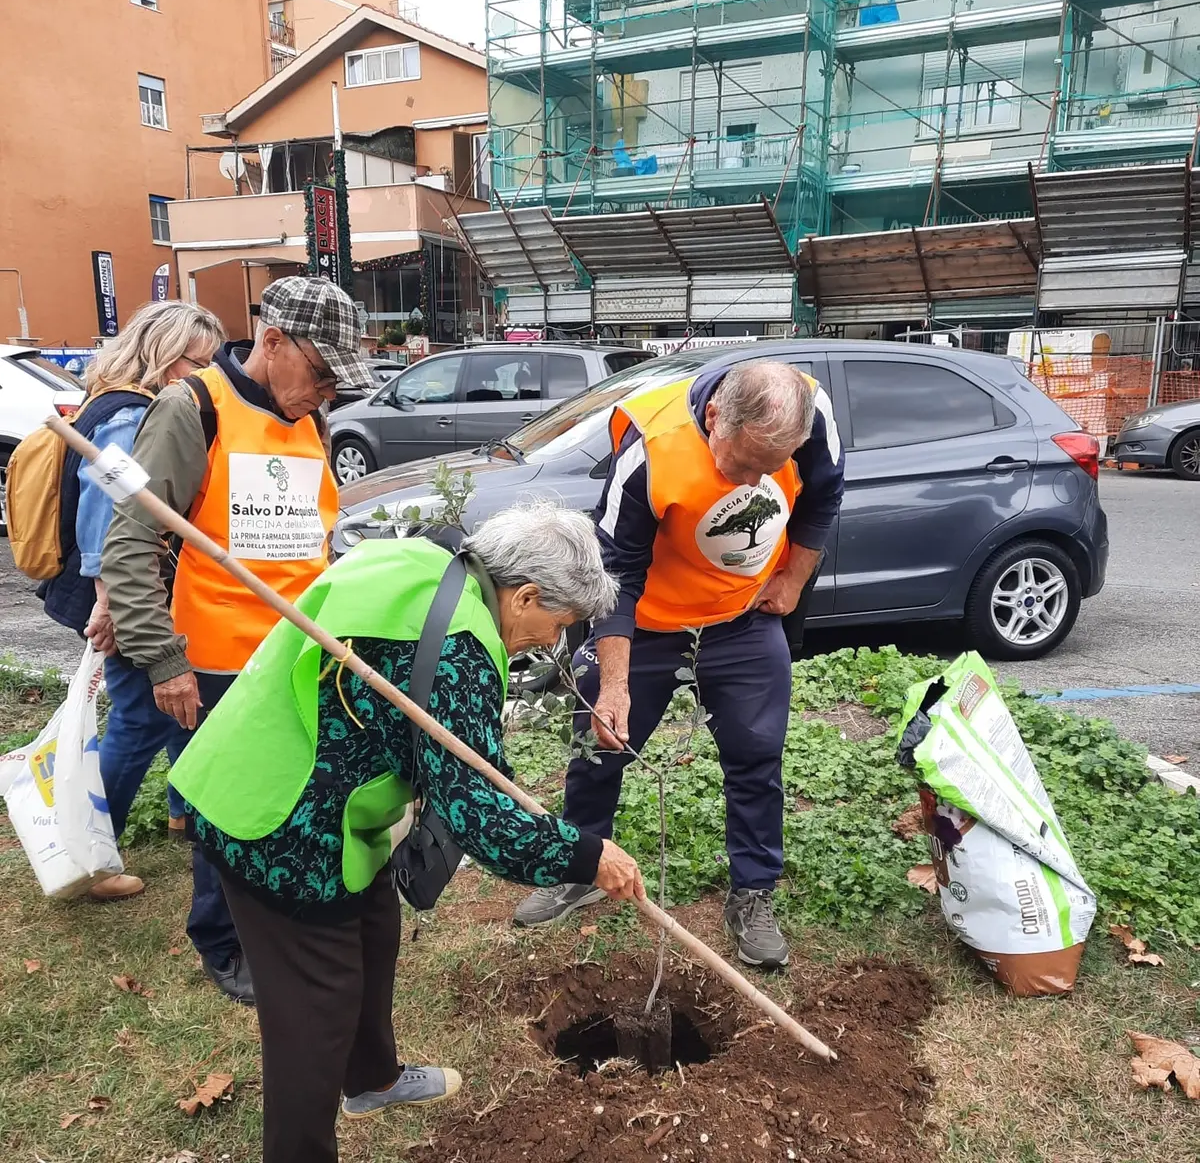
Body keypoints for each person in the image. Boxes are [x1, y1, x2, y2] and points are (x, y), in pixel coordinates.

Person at [168, 502, 644, 1163]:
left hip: (307, 785)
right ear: (527, 594)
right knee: (315, 1010)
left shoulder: (431, 562)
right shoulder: (460, 645)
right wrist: (588, 855)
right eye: (555, 625)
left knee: (373, 929)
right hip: (278, 821)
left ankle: (372, 1081)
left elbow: (465, 761)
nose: (550, 643)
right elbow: (480, 814)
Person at [513, 360, 845, 968]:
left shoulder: (812, 416)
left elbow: (823, 498)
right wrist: (614, 685)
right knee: (600, 744)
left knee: (755, 755)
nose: (750, 483)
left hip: (744, 619)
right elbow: (616, 573)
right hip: (649, 624)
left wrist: (794, 579)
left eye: (766, 470)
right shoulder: (651, 449)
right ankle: (581, 868)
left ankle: (753, 894)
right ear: (714, 416)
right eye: (740, 463)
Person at [101, 276, 374, 1003]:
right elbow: (131, 543)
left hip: (297, 651)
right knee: (223, 807)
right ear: (274, 341)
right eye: (321, 374)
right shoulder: (191, 409)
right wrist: (164, 660)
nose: (327, 394)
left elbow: (313, 541)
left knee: (284, 794)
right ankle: (221, 942)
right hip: (216, 660)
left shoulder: (307, 421)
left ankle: (274, 914)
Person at [39, 301, 225, 899]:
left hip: (121, 593)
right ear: (167, 357)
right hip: (120, 596)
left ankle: (183, 810)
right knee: (140, 717)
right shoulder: (130, 418)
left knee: (174, 707)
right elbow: (107, 523)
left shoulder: (105, 401)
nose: (205, 380)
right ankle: (92, 854)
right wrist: (113, 605)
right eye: (199, 365)